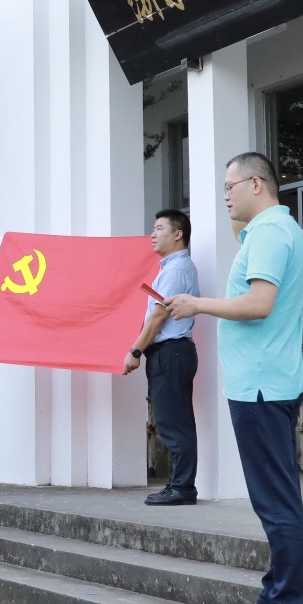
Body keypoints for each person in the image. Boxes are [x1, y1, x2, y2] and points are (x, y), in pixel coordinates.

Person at [163, 153, 303, 604]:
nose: (224, 195)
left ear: (257, 183)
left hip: (261, 385)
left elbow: (259, 303)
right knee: (275, 497)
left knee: (275, 501)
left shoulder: (270, 233)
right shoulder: (280, 230)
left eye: (230, 187)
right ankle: (275, 595)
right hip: (270, 381)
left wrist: (196, 304)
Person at [123, 209, 200, 506]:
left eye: (158, 229)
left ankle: (182, 488)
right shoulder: (171, 268)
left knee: (174, 424)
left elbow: (158, 317)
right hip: (171, 353)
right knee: (175, 422)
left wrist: (135, 351)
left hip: (171, 352)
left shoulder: (176, 270)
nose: (153, 235)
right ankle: (179, 485)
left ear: (178, 234)